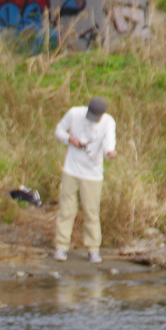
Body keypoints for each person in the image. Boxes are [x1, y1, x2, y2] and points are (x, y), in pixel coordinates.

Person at [52, 94, 117, 263]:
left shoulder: (108, 122)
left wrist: (110, 152)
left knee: (91, 212)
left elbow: (109, 141)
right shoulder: (74, 113)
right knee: (66, 210)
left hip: (93, 175)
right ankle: (61, 247)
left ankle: (93, 249)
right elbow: (58, 130)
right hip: (71, 171)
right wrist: (69, 139)